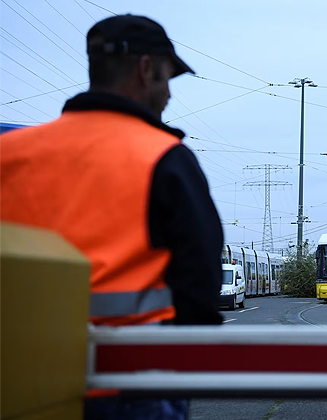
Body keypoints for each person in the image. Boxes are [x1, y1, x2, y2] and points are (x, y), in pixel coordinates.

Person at [0, 14, 224, 419]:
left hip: (19, 377)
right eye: (167, 79)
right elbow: (199, 283)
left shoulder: (10, 153)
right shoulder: (163, 158)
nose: (169, 95)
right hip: (134, 383)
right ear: (145, 70)